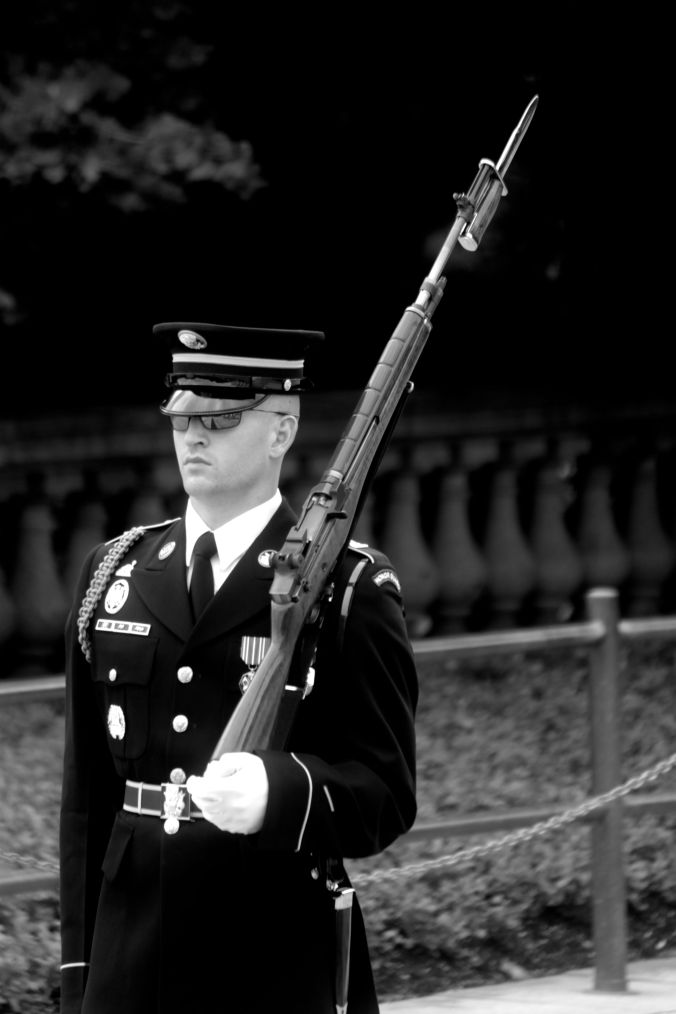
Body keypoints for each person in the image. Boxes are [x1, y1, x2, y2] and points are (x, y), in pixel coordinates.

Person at [59, 321, 418, 1014]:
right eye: (182, 416)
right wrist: (80, 972)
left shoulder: (345, 589)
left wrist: (280, 790)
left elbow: (386, 791)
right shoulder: (112, 575)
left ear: (281, 431)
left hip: (274, 956)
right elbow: (87, 805)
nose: (193, 434)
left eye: (219, 418)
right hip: (130, 962)